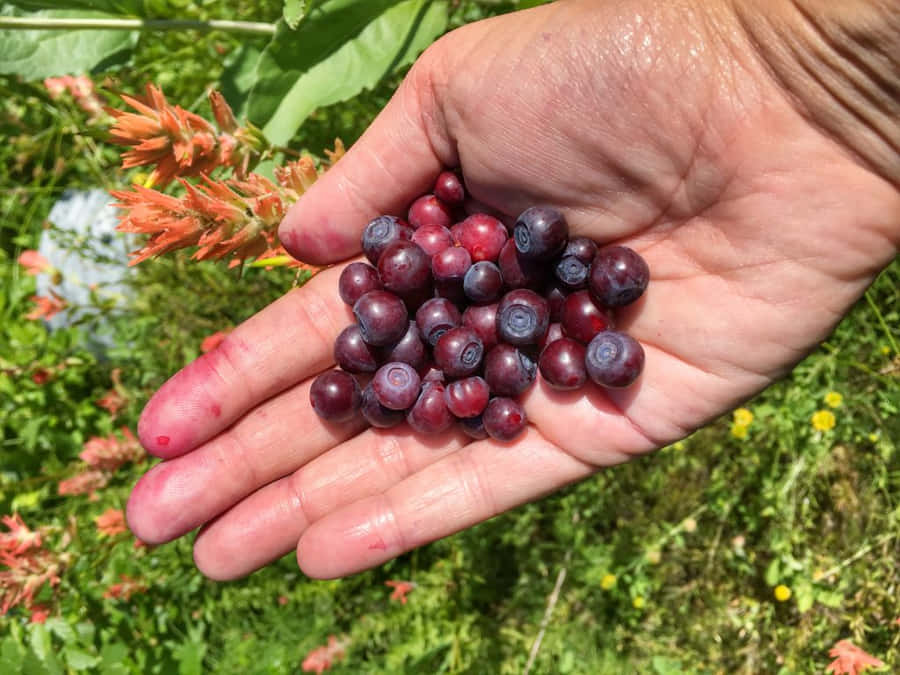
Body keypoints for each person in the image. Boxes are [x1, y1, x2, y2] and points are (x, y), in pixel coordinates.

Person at [125, 0, 899, 581]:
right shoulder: (454, 313)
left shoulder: (529, 294)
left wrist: (771, 47)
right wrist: (779, 45)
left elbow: (512, 312)